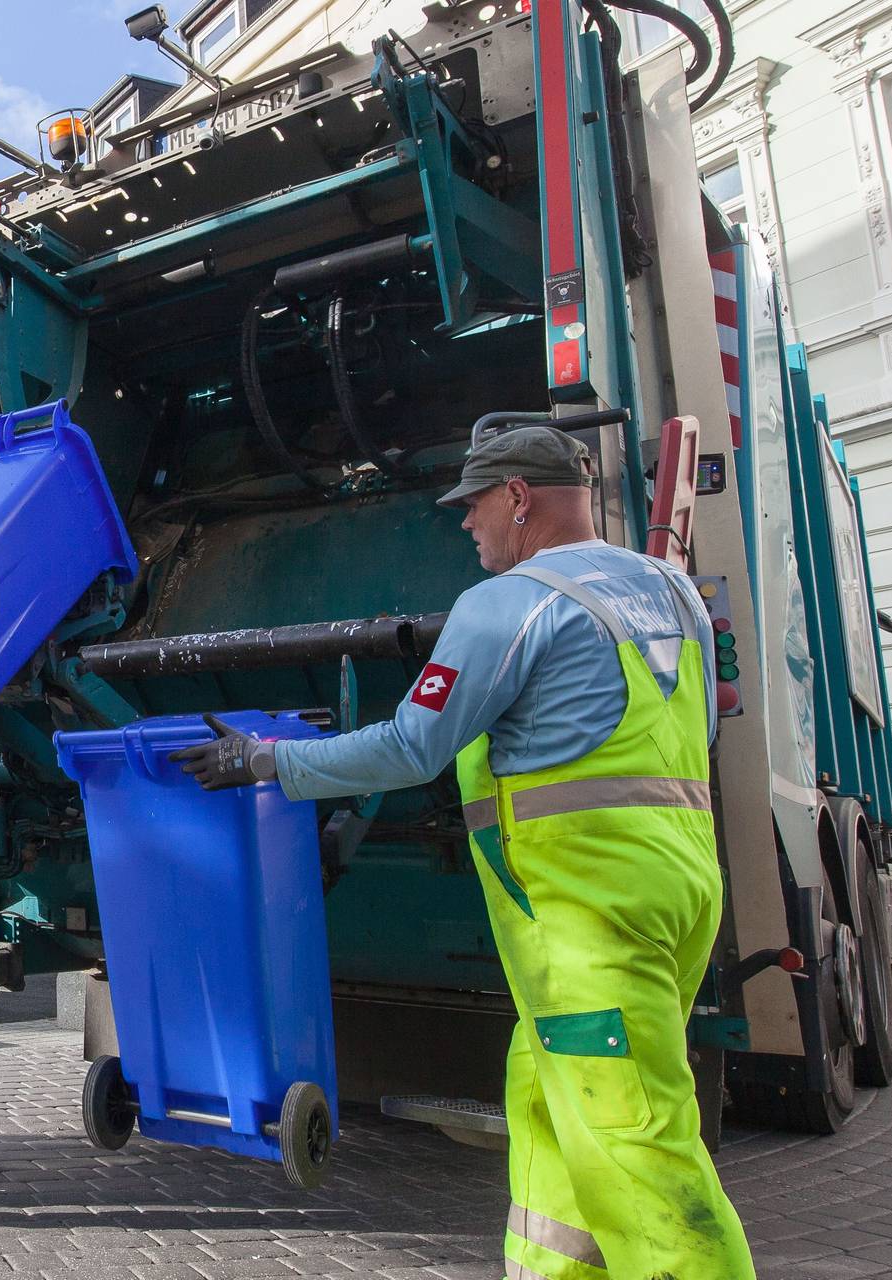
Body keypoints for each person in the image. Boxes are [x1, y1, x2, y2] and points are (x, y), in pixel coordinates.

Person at [171, 425, 751, 1279]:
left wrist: (265, 761)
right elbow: (690, 735)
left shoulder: (510, 605)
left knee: (637, 1148)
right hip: (677, 890)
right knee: (548, 1102)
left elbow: (412, 747)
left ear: (518, 497)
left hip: (585, 922)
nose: (465, 524)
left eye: (473, 505)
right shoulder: (672, 590)